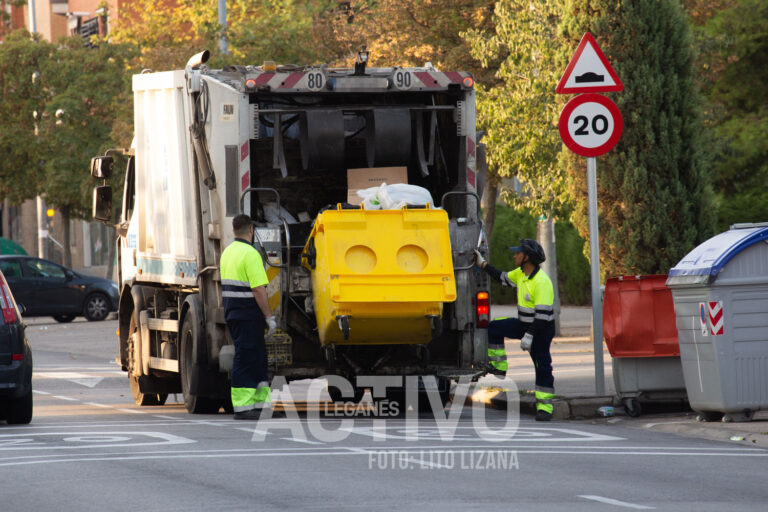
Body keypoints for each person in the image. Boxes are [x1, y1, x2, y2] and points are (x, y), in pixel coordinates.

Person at [475, 239, 556, 421]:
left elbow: (542, 317)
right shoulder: (520, 274)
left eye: (518, 253)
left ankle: (545, 407)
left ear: (526, 258)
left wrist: (529, 336)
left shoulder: (542, 282)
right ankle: (499, 367)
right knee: (494, 327)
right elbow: (502, 277)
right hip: (524, 325)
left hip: (541, 330)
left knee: (541, 366)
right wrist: (483, 264)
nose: (515, 255)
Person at [220, 214, 281, 419]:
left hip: (234, 312)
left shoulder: (227, 253)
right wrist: (269, 316)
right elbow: (258, 290)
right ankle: (244, 407)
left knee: (256, 357)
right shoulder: (251, 254)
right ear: (252, 230)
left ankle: (261, 405)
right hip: (248, 313)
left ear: (234, 231)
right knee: (246, 357)